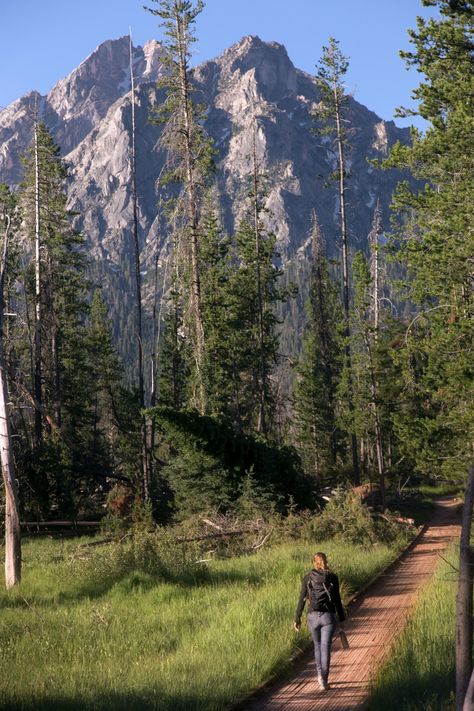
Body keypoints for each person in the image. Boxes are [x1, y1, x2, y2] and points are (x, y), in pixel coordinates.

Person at [293, 551, 346, 691]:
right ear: (325, 561)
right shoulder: (332, 577)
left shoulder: (307, 577)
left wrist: (297, 618)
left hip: (312, 617)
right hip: (328, 616)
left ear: (313, 562)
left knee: (317, 646)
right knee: (326, 648)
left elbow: (302, 599)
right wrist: (342, 617)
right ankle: (324, 680)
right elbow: (336, 599)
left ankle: (319, 675)